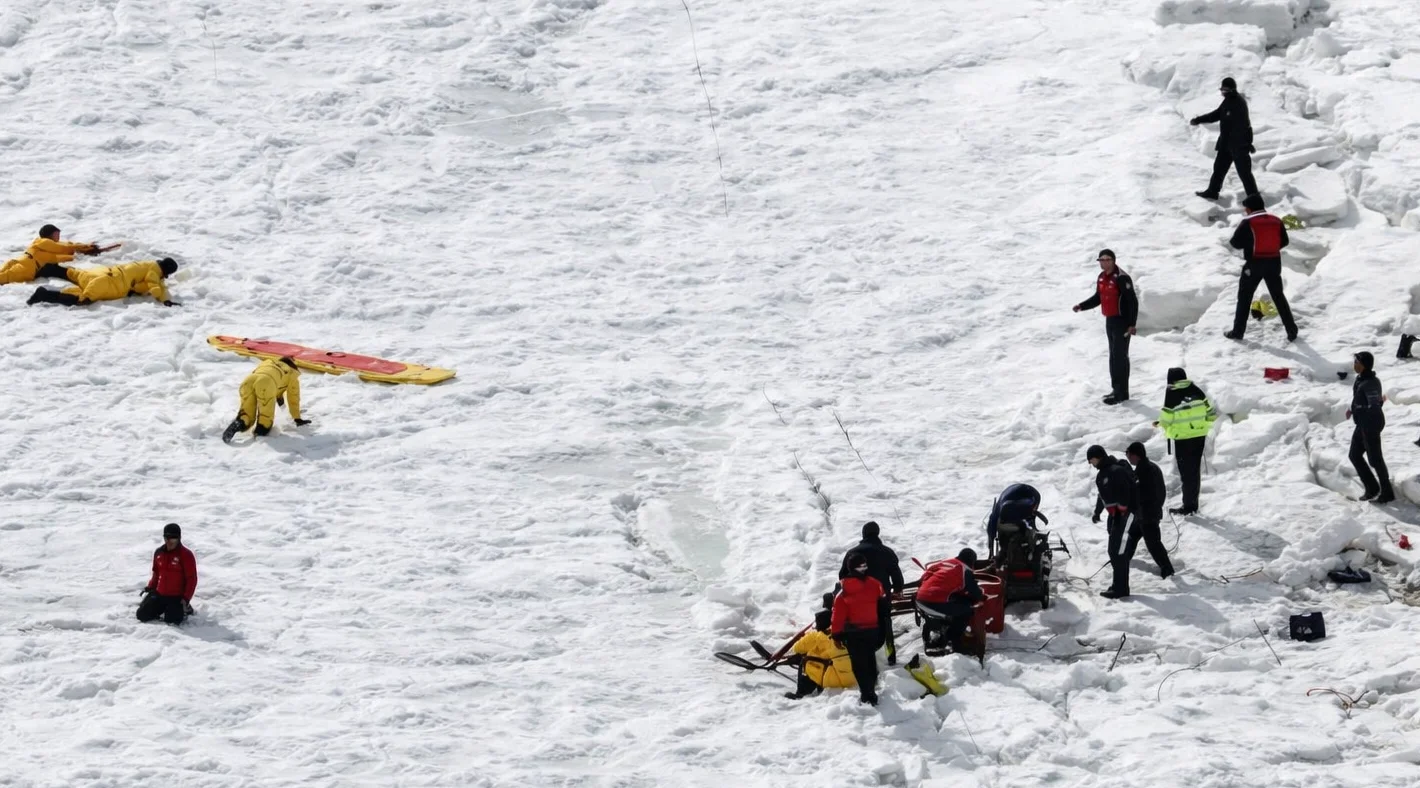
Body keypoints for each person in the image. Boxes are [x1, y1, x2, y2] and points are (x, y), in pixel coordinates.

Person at [1225, 194, 1298, 342]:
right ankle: (1291, 330)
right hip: (1274, 262)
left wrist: (1250, 245)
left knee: (1244, 298)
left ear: (1249, 208)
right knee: (1278, 296)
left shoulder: (1248, 222)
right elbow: (1284, 241)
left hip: (1254, 264)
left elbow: (1235, 243)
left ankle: (1238, 332)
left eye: (1246, 208)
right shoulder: (1276, 220)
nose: (1245, 211)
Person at [1073, 249, 1138, 405]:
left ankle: (1122, 394)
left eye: (1107, 259)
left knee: (1120, 357)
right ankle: (1116, 389)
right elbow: (1098, 298)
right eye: (1101, 260)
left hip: (1122, 322)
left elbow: (1132, 302)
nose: (1104, 262)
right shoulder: (1102, 277)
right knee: (1113, 357)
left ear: (1113, 260)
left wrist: (1131, 324)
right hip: (1110, 320)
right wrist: (1082, 306)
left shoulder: (1122, 278)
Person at [836, 521, 905, 664]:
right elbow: (896, 575)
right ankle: (890, 655)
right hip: (881, 597)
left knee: (858, 625)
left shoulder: (853, 553)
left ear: (863, 534)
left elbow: (842, 575)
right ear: (877, 534)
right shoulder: (887, 552)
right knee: (886, 622)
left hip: (856, 599)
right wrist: (897, 589)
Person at [1157, 368, 1217, 515]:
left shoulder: (1172, 392)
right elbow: (1211, 413)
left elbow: (1166, 418)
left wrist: (1161, 426)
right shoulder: (1197, 390)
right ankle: (1192, 504)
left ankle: (1188, 507)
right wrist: (1202, 427)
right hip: (1199, 437)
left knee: (1186, 474)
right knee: (1194, 471)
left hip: (1183, 439)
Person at [830, 549, 885, 705]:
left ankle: (867, 693)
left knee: (859, 664)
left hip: (853, 632)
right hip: (873, 629)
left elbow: (838, 612)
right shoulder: (876, 584)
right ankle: (871, 688)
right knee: (870, 659)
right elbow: (883, 607)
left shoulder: (843, 587)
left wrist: (836, 634)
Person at [1191, 77, 1258, 199]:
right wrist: (1199, 119)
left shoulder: (1239, 103)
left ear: (1232, 89)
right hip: (1226, 145)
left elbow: (1245, 126)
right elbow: (1217, 114)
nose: (1223, 92)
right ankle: (1212, 191)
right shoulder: (1228, 101)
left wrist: (1247, 143)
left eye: (1226, 89)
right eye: (1222, 89)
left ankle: (1254, 197)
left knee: (1244, 173)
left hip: (1239, 146)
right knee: (1219, 169)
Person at [1124, 442, 1176, 588]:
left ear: (1134, 455)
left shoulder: (1144, 471)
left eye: (1128, 454)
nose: (1128, 458)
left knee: (1153, 543)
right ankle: (1125, 557)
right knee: (1133, 535)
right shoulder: (1150, 467)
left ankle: (1167, 568)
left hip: (1147, 514)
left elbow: (1142, 494)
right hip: (1145, 513)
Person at [1088, 445, 1137, 599]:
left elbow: (1125, 493)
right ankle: (1118, 585)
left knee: (1119, 551)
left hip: (1126, 515)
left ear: (1099, 456)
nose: (1091, 463)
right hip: (1115, 515)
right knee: (1114, 551)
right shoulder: (1102, 474)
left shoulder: (1117, 471)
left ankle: (1121, 589)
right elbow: (1102, 496)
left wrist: (1121, 513)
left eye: (1091, 459)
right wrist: (1097, 512)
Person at [222, 357, 311, 442]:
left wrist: (279, 397)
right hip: (266, 383)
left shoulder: (268, 363)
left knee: (246, 412)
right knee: (265, 418)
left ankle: (239, 423)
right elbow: (293, 398)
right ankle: (259, 437)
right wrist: (297, 418)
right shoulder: (292, 373)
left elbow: (276, 384)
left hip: (248, 381)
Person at [27, 258, 180, 307]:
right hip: (110, 283)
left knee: (75, 274)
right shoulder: (154, 272)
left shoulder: (146, 264)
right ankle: (44, 295)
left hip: (102, 272)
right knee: (83, 299)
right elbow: (154, 286)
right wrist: (165, 301)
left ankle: (50, 269)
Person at [1346, 351, 1394, 503]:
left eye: (1357, 362)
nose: (1354, 365)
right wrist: (1353, 409)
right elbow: (1362, 400)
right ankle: (1372, 487)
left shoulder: (1371, 383)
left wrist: (1368, 427)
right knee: (1354, 455)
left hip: (1370, 424)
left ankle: (1387, 492)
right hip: (1362, 423)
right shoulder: (1361, 379)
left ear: (1364, 365)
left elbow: (1374, 405)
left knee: (1375, 459)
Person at [915, 549, 986, 648]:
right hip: (932, 603)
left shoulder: (944, 563)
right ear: (971, 561)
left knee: (958, 601)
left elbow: (925, 577)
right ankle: (953, 640)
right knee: (967, 610)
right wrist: (981, 597)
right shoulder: (965, 570)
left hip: (919, 600)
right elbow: (975, 592)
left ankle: (940, 627)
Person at [0, 224, 110, 285]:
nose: (58, 237)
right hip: (26, 268)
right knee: (3, 277)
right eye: (56, 234)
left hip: (21, 262)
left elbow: (65, 248)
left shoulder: (44, 245)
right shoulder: (43, 241)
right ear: (49, 235)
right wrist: (82, 247)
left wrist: (84, 248)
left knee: (3, 275)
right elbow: (62, 248)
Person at [784, 610, 855, 700]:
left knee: (805, 661)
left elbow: (797, 648)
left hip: (834, 680)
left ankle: (801, 693)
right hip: (852, 678)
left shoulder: (816, 636)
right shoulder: (845, 632)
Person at [138, 523, 197, 625]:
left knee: (172, 620)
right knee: (142, 615)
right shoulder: (159, 553)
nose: (169, 541)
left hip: (177, 597)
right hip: (160, 594)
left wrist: (186, 598)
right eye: (167, 538)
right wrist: (151, 586)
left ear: (179, 538)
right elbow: (156, 573)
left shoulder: (186, 555)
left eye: (173, 538)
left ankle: (186, 609)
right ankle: (161, 607)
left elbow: (191, 579)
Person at [986, 483, 1049, 557]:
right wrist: (991, 549)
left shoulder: (1020, 505)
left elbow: (1030, 511)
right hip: (1013, 495)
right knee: (1021, 525)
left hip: (1030, 495)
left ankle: (1032, 546)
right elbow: (991, 530)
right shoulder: (997, 513)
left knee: (1027, 526)